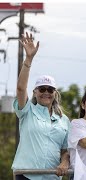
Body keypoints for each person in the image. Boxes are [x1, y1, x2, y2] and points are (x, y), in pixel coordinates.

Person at [12, 32, 70, 180]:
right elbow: (20, 88)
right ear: (35, 92)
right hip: (27, 175)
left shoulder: (64, 120)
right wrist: (29, 59)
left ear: (55, 93)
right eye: (42, 89)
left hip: (52, 177)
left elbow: (65, 149)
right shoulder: (27, 110)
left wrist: (64, 162)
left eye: (50, 89)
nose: (46, 93)